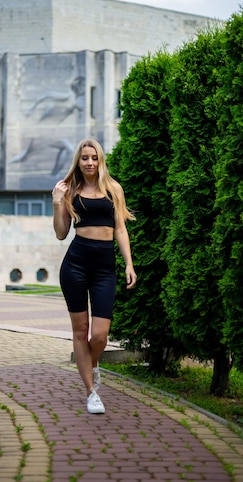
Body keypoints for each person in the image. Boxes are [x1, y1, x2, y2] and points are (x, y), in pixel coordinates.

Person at [52, 138, 137, 414]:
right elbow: (61, 233)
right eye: (84, 158)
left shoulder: (113, 189)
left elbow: (121, 229)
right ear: (78, 161)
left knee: (100, 335)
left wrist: (128, 263)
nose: (89, 162)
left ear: (100, 160)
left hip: (104, 269)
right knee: (80, 330)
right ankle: (91, 392)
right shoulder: (70, 190)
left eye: (94, 158)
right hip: (75, 266)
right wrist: (56, 203)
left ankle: (92, 362)